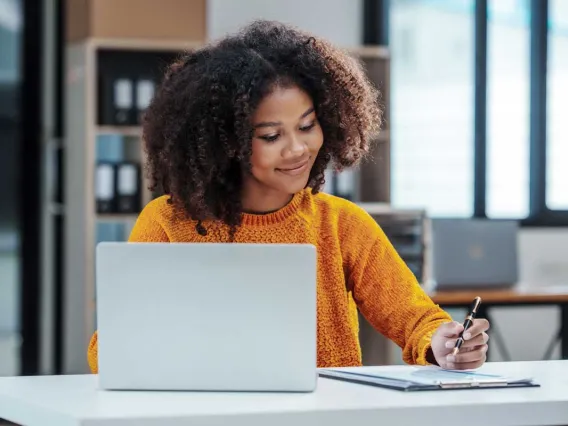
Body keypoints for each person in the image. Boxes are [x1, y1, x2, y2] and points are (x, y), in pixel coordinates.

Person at [87, 20, 489, 373]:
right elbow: (109, 352)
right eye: (271, 136)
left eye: (307, 126)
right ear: (225, 142)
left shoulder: (341, 223)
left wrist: (443, 344)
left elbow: (414, 317)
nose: (297, 149)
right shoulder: (168, 222)